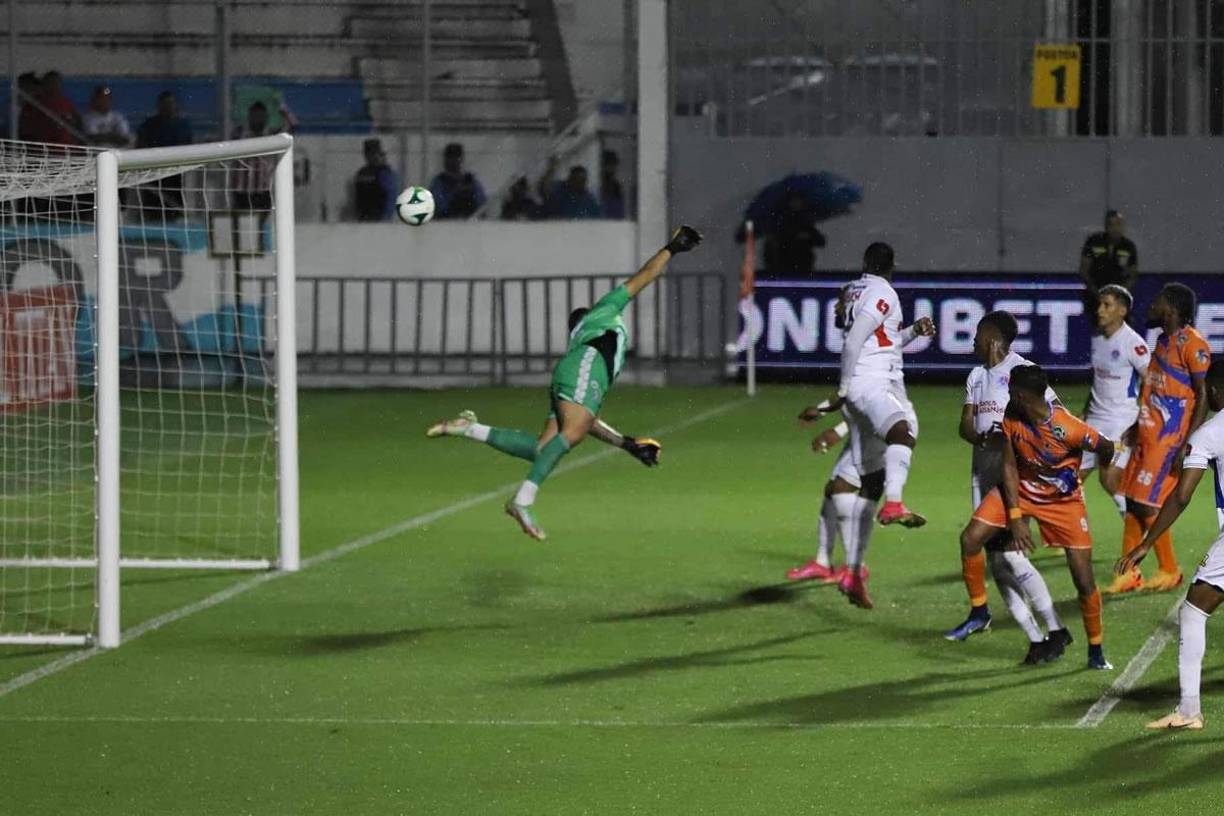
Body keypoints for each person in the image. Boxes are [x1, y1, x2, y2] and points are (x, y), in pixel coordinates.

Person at [425, 226, 703, 540]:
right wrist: (672, 248)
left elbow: (588, 422)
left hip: (570, 375)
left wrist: (626, 443)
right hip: (585, 365)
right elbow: (646, 275)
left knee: (543, 447)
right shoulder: (602, 314)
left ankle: (469, 428)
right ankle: (522, 500)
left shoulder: (580, 353)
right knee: (572, 433)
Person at [788, 285, 935, 609]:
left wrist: (828, 417)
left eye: (841, 303)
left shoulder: (858, 341)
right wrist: (913, 330)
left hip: (884, 422)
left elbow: (858, 394)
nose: (837, 310)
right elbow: (863, 396)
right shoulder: (867, 340)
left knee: (850, 489)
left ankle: (858, 562)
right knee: (841, 488)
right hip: (871, 422)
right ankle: (834, 564)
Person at [959, 364, 1115, 669]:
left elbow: (1105, 446)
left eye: (1010, 391)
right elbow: (1009, 466)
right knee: (970, 538)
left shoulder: (1067, 427)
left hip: (1064, 503)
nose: (1006, 396)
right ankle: (979, 611)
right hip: (1023, 491)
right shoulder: (1012, 417)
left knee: (1083, 580)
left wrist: (1094, 470)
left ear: (1019, 395)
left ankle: (1095, 650)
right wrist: (1016, 516)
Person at [943, 312, 1068, 661]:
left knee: (1008, 554)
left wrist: (1021, 439)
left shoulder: (1023, 371)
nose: (972, 341)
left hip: (1015, 477)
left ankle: (1050, 628)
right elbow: (965, 426)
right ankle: (1039, 637)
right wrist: (982, 434)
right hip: (982, 475)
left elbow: (1054, 413)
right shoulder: (976, 376)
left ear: (991, 336)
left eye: (976, 334)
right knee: (999, 562)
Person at [1117, 360, 1224, 730]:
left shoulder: (1210, 432)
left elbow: (1181, 494)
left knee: (1194, 612)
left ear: (1214, 391)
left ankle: (1189, 711)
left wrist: (1147, 542)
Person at [1113, 283, 1211, 594]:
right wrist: (1135, 424)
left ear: (1170, 308)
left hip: (1168, 439)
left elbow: (1203, 394)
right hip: (1147, 432)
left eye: (1157, 301)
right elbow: (1156, 387)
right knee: (1132, 501)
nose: (1151, 306)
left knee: (1147, 504)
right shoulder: (1162, 340)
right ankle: (1129, 574)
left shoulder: (1193, 345)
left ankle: (1169, 568)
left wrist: (1189, 441)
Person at [821, 242, 924, 528]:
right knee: (903, 434)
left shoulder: (852, 289)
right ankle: (893, 504)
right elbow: (854, 340)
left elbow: (880, 341)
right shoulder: (884, 292)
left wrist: (914, 331)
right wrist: (843, 388)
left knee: (868, 478)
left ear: (865, 262)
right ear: (892, 266)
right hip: (872, 383)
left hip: (871, 383)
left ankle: (848, 561)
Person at [1081, 285, 1149, 526]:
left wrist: (1142, 420)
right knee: (1071, 477)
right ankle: (1069, 531)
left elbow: (1152, 382)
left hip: (1121, 421)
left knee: (1109, 479)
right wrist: (1085, 412)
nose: (1100, 310)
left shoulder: (1134, 343)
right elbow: (1098, 381)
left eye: (1107, 305)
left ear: (1121, 310)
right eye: (1099, 304)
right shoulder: (1097, 339)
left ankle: (1136, 525)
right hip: (1094, 420)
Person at [230, 100, 296, 214]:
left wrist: (283, 110)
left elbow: (292, 126)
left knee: (262, 228)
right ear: (249, 117)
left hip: (262, 192)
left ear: (266, 117)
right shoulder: (239, 134)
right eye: (255, 116)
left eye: (261, 116)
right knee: (241, 227)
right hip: (241, 191)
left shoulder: (272, 135)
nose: (258, 119)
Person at [1079, 210, 1138, 327]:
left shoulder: (1128, 247)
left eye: (1118, 224)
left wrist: (1120, 296)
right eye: (1111, 225)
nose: (1114, 228)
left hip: (1119, 299)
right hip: (1095, 297)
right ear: (1106, 226)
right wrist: (1097, 294)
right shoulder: (1094, 242)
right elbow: (1084, 270)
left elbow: (1133, 274)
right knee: (1098, 332)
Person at [764, 189, 827, 276]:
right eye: (794, 201)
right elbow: (779, 239)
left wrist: (808, 237)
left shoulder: (806, 220)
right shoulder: (783, 220)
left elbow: (820, 241)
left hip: (804, 264)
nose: (797, 204)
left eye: (799, 201)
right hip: (786, 263)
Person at [21, 70, 82, 145]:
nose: (54, 86)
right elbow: (26, 129)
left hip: (65, 147)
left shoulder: (66, 102)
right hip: (44, 147)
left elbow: (77, 121)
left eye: (56, 83)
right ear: (45, 84)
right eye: (51, 83)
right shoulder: (34, 104)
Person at [429, 143, 486, 219]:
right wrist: (455, 194)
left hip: (470, 224)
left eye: (456, 157)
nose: (453, 161)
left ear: (461, 159)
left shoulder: (471, 182)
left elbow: (482, 206)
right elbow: (438, 206)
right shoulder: (439, 182)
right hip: (445, 224)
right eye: (450, 157)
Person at [353, 138, 401, 222]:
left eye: (374, 154)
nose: (371, 157)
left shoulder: (385, 172)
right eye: (368, 154)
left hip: (379, 219)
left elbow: (391, 196)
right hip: (363, 219)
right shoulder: (362, 172)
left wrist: (386, 217)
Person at [599, 149, 626, 219]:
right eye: (609, 164)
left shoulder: (616, 186)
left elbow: (620, 213)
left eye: (613, 165)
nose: (612, 168)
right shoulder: (598, 184)